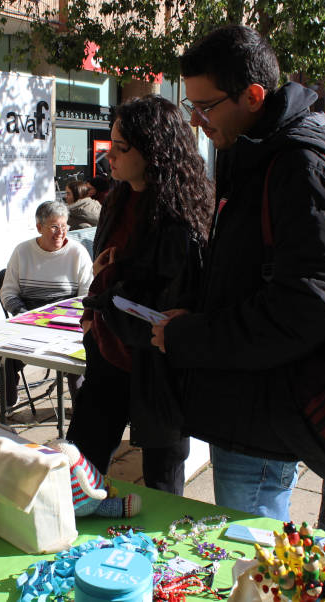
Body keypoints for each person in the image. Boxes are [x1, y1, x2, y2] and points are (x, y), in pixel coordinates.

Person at [150, 25, 325, 520]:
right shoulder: (254, 152)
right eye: (191, 107)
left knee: (254, 552)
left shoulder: (300, 169)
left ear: (253, 96)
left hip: (266, 410)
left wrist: (194, 335)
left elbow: (303, 308)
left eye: (205, 107)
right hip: (248, 397)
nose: (197, 121)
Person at [66, 95, 214, 495]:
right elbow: (104, 270)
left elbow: (172, 297)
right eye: (110, 145)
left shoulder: (181, 214)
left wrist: (110, 285)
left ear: (154, 150)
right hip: (108, 351)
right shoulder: (117, 198)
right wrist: (94, 305)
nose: (109, 157)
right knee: (79, 468)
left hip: (158, 366)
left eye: (121, 148)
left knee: (162, 483)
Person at [0, 200, 93, 406]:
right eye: (54, 226)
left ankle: (80, 413)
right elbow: (8, 292)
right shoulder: (22, 252)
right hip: (28, 324)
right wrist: (25, 315)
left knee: (76, 363)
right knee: (5, 356)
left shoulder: (78, 253)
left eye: (64, 226)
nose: (61, 232)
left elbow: (88, 296)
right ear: (39, 227)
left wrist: (71, 321)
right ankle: (8, 405)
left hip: (68, 327)